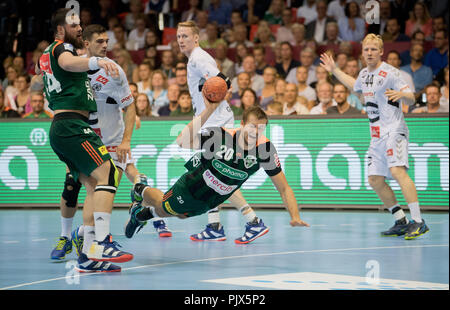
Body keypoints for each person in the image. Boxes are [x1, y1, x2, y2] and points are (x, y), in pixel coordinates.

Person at [35, 9, 133, 272]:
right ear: (59, 30)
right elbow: (67, 63)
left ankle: (89, 256)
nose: (79, 28)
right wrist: (96, 62)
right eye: (74, 25)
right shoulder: (61, 48)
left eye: (80, 25)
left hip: (67, 126)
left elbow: (45, 67)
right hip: (70, 125)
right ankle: (101, 242)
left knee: (92, 184)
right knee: (108, 172)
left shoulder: (49, 55)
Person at [125, 105, 310, 243]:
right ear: (242, 124)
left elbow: (284, 188)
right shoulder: (221, 136)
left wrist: (294, 216)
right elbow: (182, 141)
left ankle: (139, 215)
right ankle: (140, 189)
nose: (256, 132)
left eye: (261, 128)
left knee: (180, 215)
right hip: (191, 187)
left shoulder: (265, 150)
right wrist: (208, 110)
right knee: (164, 205)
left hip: (211, 200)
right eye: (253, 127)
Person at [160, 20, 268, 242]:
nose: (181, 40)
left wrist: (213, 99)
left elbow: (223, 81)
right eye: (178, 36)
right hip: (212, 119)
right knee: (211, 174)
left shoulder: (199, 58)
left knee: (217, 174)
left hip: (215, 121)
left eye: (185, 36)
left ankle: (252, 221)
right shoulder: (194, 59)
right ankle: (215, 226)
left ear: (196, 38)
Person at [320, 33, 429, 239]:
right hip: (376, 134)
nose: (369, 53)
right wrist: (334, 70)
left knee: (397, 171)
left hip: (394, 129)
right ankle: (400, 220)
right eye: (366, 49)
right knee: (375, 179)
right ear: (362, 53)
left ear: (381, 52)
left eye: (373, 49)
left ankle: (418, 221)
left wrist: (401, 95)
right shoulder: (363, 74)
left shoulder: (390, 73)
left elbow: (411, 95)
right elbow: (355, 86)